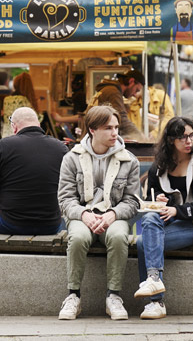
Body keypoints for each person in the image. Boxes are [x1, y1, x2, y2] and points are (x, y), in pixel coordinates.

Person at [136, 117, 193, 319]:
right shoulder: (160, 165)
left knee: (143, 243)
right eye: (182, 137)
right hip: (171, 221)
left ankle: (155, 301)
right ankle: (154, 282)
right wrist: (160, 199)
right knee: (150, 219)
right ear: (170, 141)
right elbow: (152, 196)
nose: (188, 141)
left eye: (191, 135)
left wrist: (177, 211)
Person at [57, 105, 140, 321]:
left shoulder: (129, 160)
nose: (115, 133)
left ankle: (114, 296)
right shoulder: (72, 158)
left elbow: (132, 201)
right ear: (92, 130)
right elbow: (65, 199)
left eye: (116, 127)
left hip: (114, 215)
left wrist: (112, 214)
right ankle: (73, 296)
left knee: (119, 236)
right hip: (82, 215)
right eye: (108, 128)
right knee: (78, 238)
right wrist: (85, 215)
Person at [0, 107, 67, 235]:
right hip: (50, 224)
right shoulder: (60, 148)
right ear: (38, 124)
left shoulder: (5, 145)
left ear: (14, 127)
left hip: (11, 222)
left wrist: (8, 178)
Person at [90, 70, 146, 141]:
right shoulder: (113, 92)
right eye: (137, 90)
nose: (135, 94)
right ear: (131, 81)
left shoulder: (108, 89)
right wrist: (140, 136)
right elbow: (121, 119)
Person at [1, 72, 39, 138]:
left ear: (15, 84)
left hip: (6, 136)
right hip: (24, 137)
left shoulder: (7, 99)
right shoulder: (27, 101)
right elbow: (37, 119)